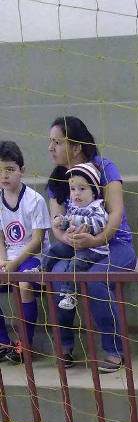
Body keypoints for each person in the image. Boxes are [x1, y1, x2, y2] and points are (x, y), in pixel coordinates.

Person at [47, 115, 137, 372]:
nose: (51, 148)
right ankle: (64, 347)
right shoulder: (56, 180)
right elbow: (56, 224)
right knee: (59, 275)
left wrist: (95, 239)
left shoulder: (105, 168)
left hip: (115, 246)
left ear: (76, 146)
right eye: (50, 142)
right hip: (78, 248)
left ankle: (115, 351)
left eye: (57, 142)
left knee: (95, 279)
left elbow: (116, 213)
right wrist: (70, 238)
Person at [0, 140, 50, 364]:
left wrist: (13, 264)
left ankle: (25, 345)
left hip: (34, 257)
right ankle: (3, 342)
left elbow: (37, 242)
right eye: (0, 170)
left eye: (10, 169)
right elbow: (0, 238)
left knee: (24, 284)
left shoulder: (35, 200)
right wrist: (3, 261)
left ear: (22, 170)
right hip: (9, 257)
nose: (4, 175)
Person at [42, 162, 109, 311]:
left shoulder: (96, 207)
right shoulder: (74, 207)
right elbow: (68, 221)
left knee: (75, 263)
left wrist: (77, 221)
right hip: (75, 245)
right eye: (72, 189)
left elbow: (99, 224)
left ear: (93, 192)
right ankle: (42, 271)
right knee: (55, 249)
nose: (76, 193)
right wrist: (61, 221)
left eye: (82, 189)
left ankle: (69, 294)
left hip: (93, 249)